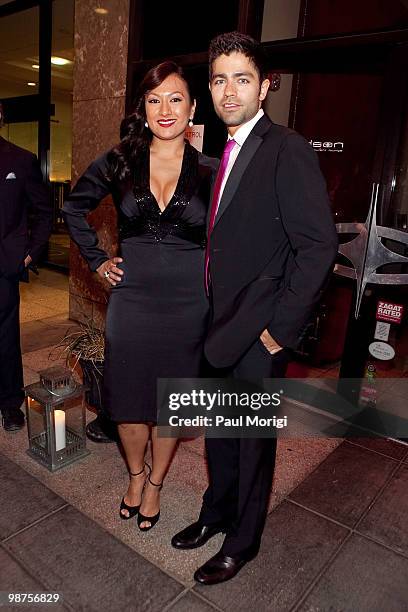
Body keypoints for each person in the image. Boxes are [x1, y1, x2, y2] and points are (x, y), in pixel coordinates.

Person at [171, 32, 339, 584]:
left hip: (258, 331)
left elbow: (317, 246)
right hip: (219, 327)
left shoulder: (286, 148)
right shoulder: (223, 156)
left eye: (242, 79)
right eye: (219, 79)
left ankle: (243, 542)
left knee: (251, 443)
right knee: (219, 433)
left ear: (264, 87)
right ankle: (215, 515)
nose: (228, 90)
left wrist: (278, 332)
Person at [63, 62, 217, 530]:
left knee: (169, 405)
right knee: (129, 403)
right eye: (154, 99)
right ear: (143, 108)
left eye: (175, 99)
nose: (165, 109)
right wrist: (97, 259)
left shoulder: (213, 171)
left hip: (189, 306)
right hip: (132, 303)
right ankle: (135, 475)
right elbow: (73, 208)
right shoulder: (119, 161)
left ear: (192, 108)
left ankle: (156, 484)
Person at [0, 103, 52, 431]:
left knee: (4, 337)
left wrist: (30, 253)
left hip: (3, 265)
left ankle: (9, 402)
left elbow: (45, 210)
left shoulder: (20, 160)